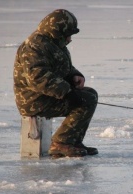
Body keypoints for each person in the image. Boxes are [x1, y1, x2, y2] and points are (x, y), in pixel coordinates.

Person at [13, 9, 98, 158]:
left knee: (90, 94)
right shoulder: (34, 47)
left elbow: (62, 66)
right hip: (34, 100)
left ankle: (73, 141)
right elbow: (37, 78)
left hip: (46, 95)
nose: (70, 39)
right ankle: (61, 142)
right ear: (57, 31)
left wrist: (74, 75)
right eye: (68, 35)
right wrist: (67, 92)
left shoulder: (53, 43)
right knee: (86, 100)